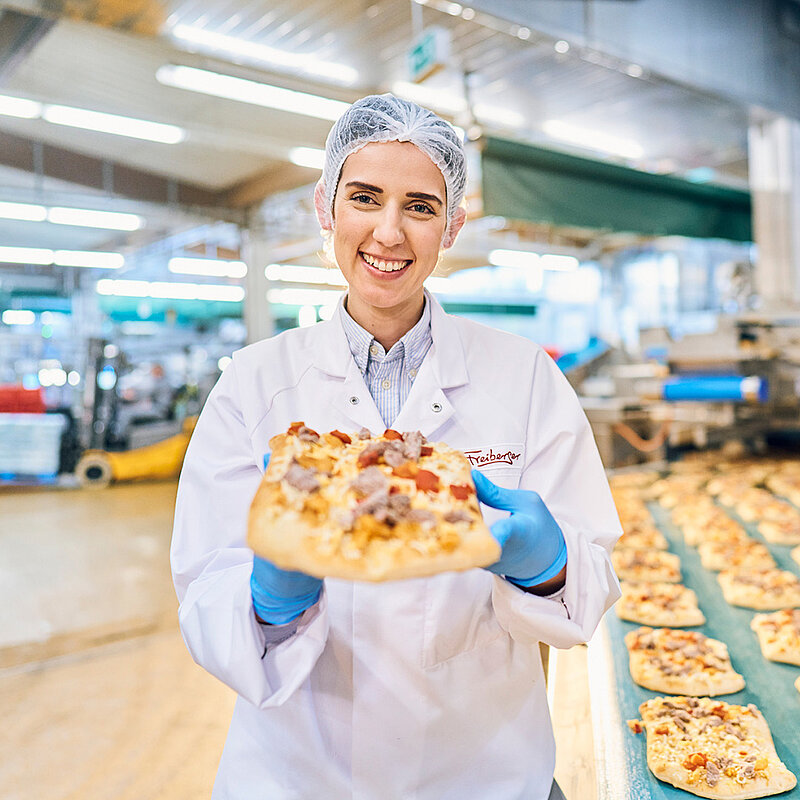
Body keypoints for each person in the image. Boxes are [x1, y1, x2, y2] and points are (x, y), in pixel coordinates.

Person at [171, 94, 622, 799]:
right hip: (299, 776)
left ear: (452, 226)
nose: (389, 232)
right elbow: (202, 592)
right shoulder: (254, 385)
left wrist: (550, 566)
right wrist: (267, 601)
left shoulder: (525, 376)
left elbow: (589, 579)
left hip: (486, 772)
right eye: (364, 197)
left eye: (420, 206)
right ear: (325, 206)